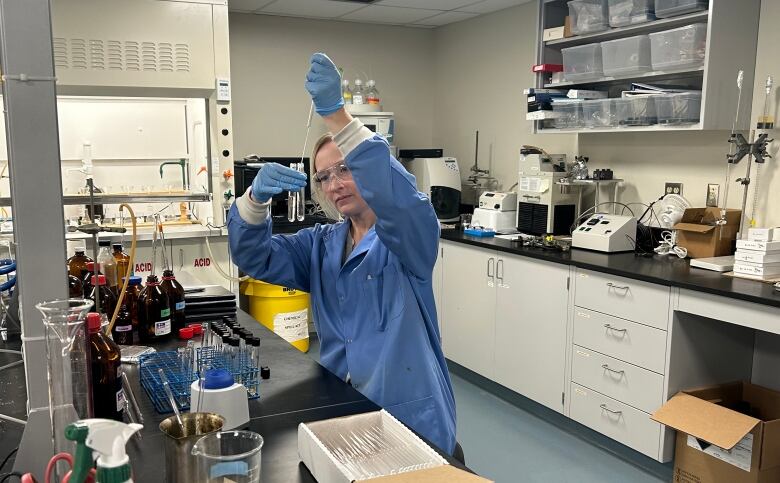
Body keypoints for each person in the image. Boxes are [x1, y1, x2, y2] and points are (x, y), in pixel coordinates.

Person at [227, 53, 456, 454]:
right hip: (339, 407)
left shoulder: (406, 240)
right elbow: (254, 257)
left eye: (346, 169)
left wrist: (337, 116)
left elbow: (400, 202)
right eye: (324, 176)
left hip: (408, 416)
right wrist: (254, 200)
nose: (335, 184)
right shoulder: (321, 243)